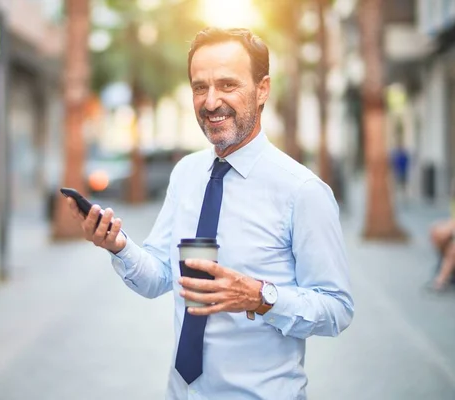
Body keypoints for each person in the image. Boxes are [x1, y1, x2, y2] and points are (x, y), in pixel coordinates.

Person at [66, 27, 354, 399]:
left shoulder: (302, 192)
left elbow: (337, 309)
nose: (211, 101)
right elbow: (160, 276)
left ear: (262, 89)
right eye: (200, 87)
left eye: (227, 85)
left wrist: (260, 296)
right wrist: (119, 246)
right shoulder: (186, 173)